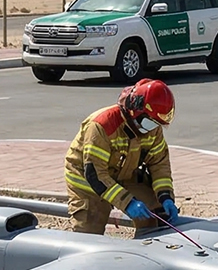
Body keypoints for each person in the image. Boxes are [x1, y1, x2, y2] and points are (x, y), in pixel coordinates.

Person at [63, 79, 178, 236]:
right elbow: (96, 174)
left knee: (155, 215)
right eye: (150, 123)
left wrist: (166, 196)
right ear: (135, 111)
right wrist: (128, 202)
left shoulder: (152, 128)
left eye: (157, 125)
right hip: (87, 181)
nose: (152, 129)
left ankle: (145, 253)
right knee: (89, 233)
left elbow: (159, 163)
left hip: (123, 172)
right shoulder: (102, 126)